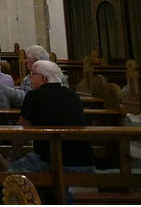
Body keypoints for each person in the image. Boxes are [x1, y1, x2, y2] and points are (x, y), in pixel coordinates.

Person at [7, 60, 94, 199]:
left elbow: (21, 132)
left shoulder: (33, 96)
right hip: (83, 160)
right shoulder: (73, 95)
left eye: (32, 75)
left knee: (10, 172)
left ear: (43, 78)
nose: (30, 78)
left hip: (49, 162)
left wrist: (13, 156)